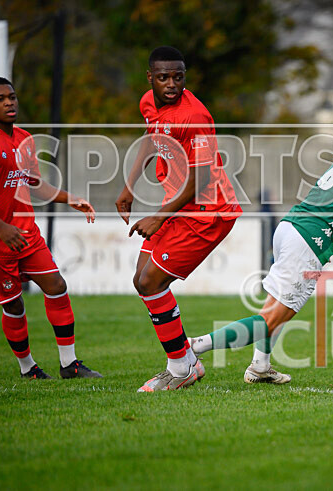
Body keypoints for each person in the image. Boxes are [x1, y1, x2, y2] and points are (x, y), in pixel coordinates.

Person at [188, 117, 333, 383]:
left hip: (290, 227)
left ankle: (260, 366)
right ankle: (194, 347)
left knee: (274, 307)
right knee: (275, 316)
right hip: (307, 240)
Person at [0, 77, 101, 379]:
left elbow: (32, 183)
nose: (9, 103)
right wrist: (0, 225)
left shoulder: (24, 138)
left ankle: (69, 365)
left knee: (57, 287)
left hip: (24, 232)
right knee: (15, 304)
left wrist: (69, 198)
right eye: (0, 99)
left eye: (12, 97)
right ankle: (28, 368)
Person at [115, 46, 242, 392]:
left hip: (206, 213)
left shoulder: (196, 117)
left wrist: (158, 217)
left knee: (151, 283)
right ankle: (186, 361)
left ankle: (182, 366)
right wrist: (129, 186)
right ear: (150, 78)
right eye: (163, 77)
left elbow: (200, 180)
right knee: (142, 280)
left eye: (178, 77)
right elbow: (150, 138)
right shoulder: (148, 103)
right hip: (181, 206)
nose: (172, 84)